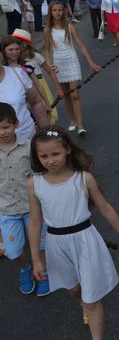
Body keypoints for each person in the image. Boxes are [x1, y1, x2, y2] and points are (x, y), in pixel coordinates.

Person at [27, 126, 119, 339]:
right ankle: (83, 303)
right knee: (73, 290)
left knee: (92, 299)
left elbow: (104, 207)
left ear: (67, 150)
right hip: (56, 244)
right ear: (37, 157)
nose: (50, 160)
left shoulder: (83, 178)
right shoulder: (34, 184)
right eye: (44, 156)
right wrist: (36, 259)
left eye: (55, 154)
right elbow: (34, 221)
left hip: (86, 240)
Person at [0, 103, 49, 296]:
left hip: (33, 208)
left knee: (41, 244)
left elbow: (41, 175)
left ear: (16, 124)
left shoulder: (29, 147)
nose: (2, 132)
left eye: (6, 126)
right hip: (6, 211)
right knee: (13, 251)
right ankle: (25, 268)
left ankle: (43, 272)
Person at [43, 1, 101, 135]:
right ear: (50, 13)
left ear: (64, 12)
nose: (57, 13)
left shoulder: (70, 27)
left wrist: (91, 62)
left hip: (71, 61)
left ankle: (80, 124)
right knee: (66, 96)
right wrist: (49, 63)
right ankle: (72, 119)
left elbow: (80, 45)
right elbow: (46, 49)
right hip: (58, 64)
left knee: (75, 94)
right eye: (54, 10)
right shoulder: (47, 30)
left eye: (60, 10)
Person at [0, 38, 49, 139]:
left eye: (16, 49)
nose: (14, 52)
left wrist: (46, 133)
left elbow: (36, 102)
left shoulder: (18, 73)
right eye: (11, 49)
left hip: (25, 138)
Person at [13, 29, 62, 124]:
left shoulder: (36, 56)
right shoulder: (13, 60)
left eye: (17, 42)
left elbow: (50, 72)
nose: (15, 47)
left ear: (24, 44)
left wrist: (59, 89)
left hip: (39, 84)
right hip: (23, 87)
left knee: (45, 111)